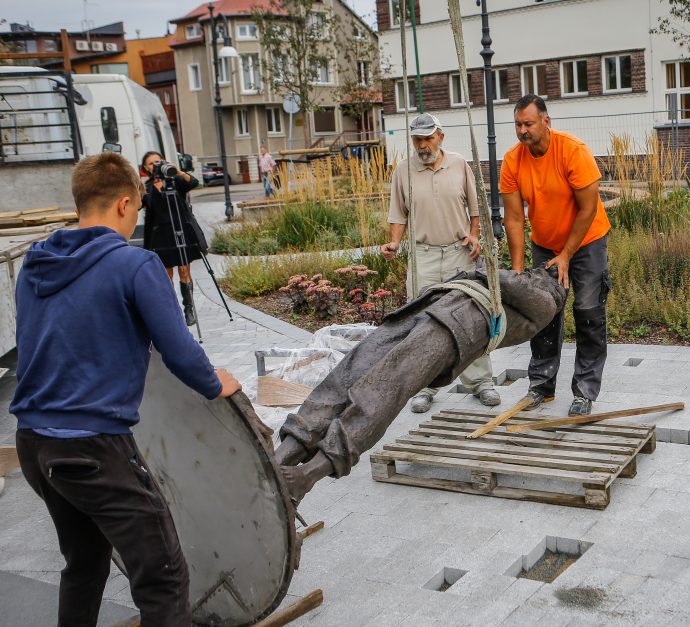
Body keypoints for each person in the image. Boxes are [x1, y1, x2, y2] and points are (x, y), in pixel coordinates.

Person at [10, 152, 242, 626]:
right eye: (136, 207)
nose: (136, 217)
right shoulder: (133, 264)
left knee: (85, 564)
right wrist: (213, 381)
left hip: (34, 443)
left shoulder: (34, 264)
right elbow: (178, 350)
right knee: (164, 577)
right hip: (92, 448)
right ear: (122, 204)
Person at [275, 266, 567, 500]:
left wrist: (486, 269)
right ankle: (286, 452)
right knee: (352, 368)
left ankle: (308, 475)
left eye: (541, 274)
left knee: (382, 391)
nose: (533, 272)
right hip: (432, 310)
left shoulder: (546, 304)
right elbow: (485, 276)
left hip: (455, 329)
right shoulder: (513, 285)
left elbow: (501, 279)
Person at [380, 113, 501, 413]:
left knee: (472, 316)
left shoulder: (459, 164)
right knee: (423, 323)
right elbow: (398, 215)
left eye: (427, 138)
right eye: (417, 140)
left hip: (460, 253)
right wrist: (394, 243)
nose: (422, 145)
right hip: (424, 256)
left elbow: (476, 209)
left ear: (440, 137)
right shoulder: (404, 171)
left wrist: (475, 237)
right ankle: (426, 386)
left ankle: (481, 382)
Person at [500, 95, 612, 417]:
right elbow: (514, 218)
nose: (522, 131)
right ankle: (541, 387)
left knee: (588, 310)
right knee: (543, 312)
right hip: (545, 243)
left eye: (528, 124)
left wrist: (566, 254)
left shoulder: (572, 150)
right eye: (518, 125)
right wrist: (519, 272)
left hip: (586, 240)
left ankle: (585, 391)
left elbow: (588, 208)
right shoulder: (513, 160)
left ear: (546, 121)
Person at [141, 150, 208, 327]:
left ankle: (189, 309)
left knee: (185, 271)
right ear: (145, 168)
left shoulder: (175, 181)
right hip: (161, 237)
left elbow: (193, 182)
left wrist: (177, 171)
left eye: (158, 161)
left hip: (182, 231)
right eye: (151, 163)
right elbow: (149, 205)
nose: (155, 165)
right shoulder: (146, 187)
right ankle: (173, 310)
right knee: (166, 276)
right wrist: (156, 190)